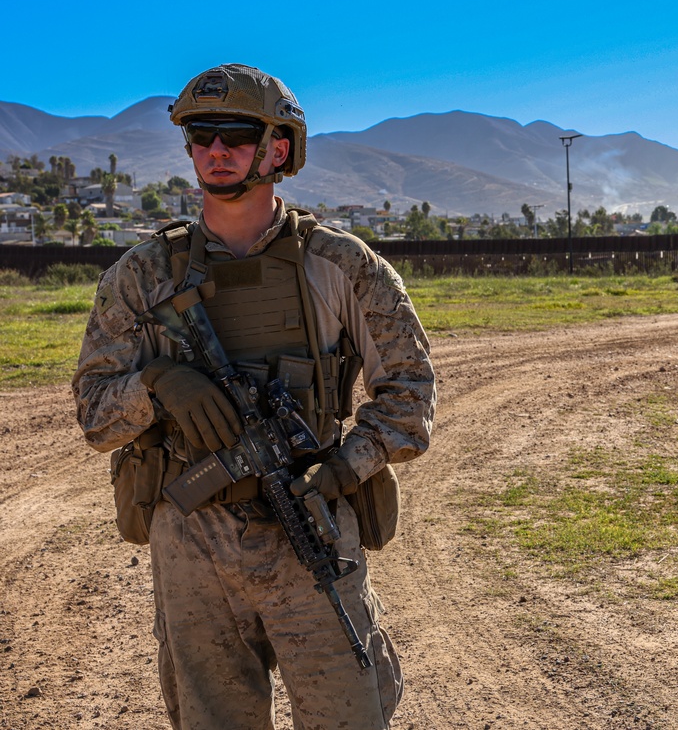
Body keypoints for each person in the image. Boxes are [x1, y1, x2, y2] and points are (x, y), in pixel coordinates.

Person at [73, 63, 436, 729]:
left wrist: (344, 465)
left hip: (311, 528)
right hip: (191, 546)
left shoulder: (341, 265)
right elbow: (95, 412)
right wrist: (157, 386)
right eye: (201, 134)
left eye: (235, 135)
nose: (215, 151)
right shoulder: (143, 276)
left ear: (278, 149)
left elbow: (411, 392)